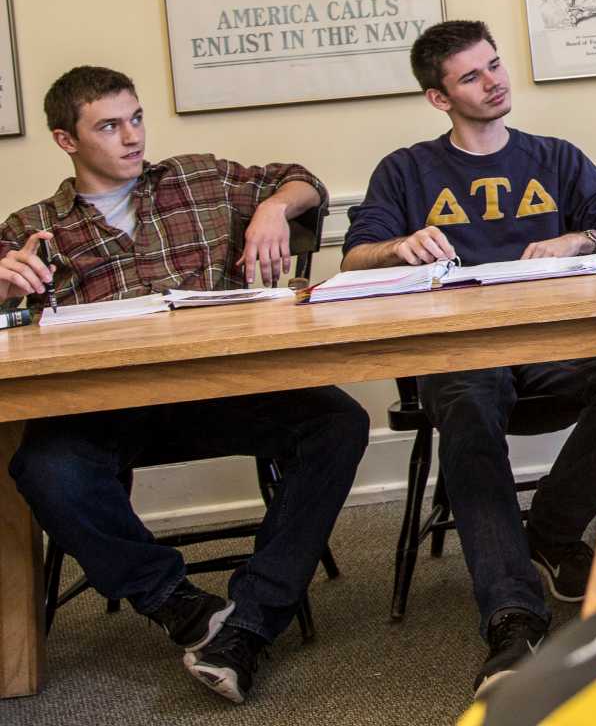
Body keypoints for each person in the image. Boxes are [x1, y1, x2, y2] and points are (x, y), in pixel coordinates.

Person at [0, 67, 366, 705]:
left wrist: (274, 208)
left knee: (338, 420)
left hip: (221, 391)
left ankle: (250, 621)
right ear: (66, 140)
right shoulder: (34, 226)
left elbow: (305, 179)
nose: (132, 137)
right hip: (106, 410)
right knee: (42, 465)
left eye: (136, 118)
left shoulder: (200, 178)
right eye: (109, 126)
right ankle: (181, 607)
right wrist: (5, 292)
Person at [342, 20, 596, 698]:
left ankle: (553, 529)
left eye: (495, 64)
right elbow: (354, 259)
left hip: (555, 347)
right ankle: (512, 614)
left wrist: (580, 239)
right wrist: (396, 248)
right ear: (438, 98)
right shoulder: (407, 170)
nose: (495, 80)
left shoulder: (555, 156)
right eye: (472, 76)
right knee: (466, 407)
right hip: (461, 354)